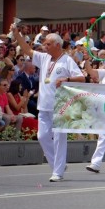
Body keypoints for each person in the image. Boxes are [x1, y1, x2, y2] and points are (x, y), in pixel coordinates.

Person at [12, 23, 85, 182]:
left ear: (57, 45)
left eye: (48, 44)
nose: (44, 46)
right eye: (44, 43)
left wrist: (67, 79)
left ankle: (57, 171)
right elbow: (27, 50)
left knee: (59, 139)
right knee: (42, 136)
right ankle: (58, 165)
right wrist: (16, 34)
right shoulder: (43, 57)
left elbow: (81, 78)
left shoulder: (67, 60)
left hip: (61, 105)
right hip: (44, 105)